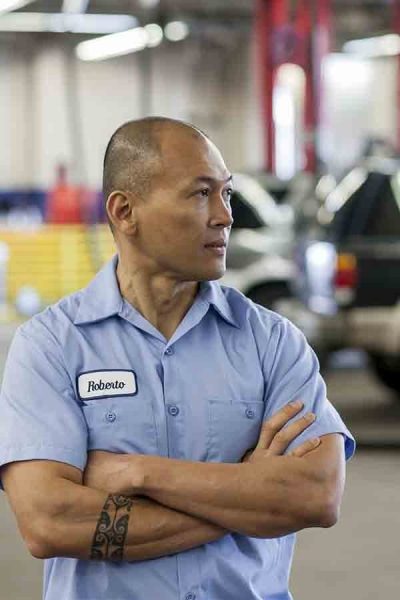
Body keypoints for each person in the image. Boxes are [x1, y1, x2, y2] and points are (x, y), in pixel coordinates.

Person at [0, 117, 355, 600]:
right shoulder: (50, 347)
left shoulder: (273, 343)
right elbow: (49, 522)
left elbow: (315, 496)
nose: (224, 216)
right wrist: (248, 493)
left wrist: (137, 474)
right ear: (125, 212)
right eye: (200, 193)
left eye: (226, 194)